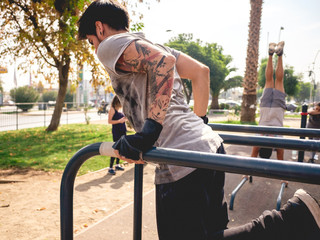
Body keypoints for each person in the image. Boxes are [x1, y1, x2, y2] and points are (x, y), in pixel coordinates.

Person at [78, 1, 320, 239]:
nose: (93, 47)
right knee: (211, 233)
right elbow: (200, 72)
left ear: (100, 28)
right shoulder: (152, 43)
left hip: (181, 158)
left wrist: (150, 131)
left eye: (90, 41)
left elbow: (163, 63)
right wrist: (199, 122)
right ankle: (292, 221)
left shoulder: (109, 45)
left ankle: (291, 221)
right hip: (208, 148)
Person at [108, 95, 127, 175]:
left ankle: (117, 165)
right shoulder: (112, 109)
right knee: (115, 147)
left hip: (122, 131)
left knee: (120, 148)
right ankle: (110, 167)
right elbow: (109, 121)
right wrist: (119, 121)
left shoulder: (119, 109)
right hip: (116, 131)